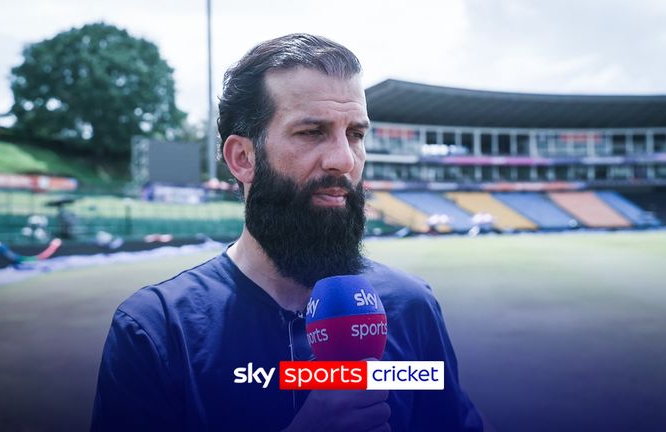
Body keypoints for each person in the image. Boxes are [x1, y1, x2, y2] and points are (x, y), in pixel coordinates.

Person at [91, 33, 485, 432]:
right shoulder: (155, 331)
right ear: (243, 158)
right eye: (312, 132)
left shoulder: (411, 306)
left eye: (355, 134)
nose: (344, 160)